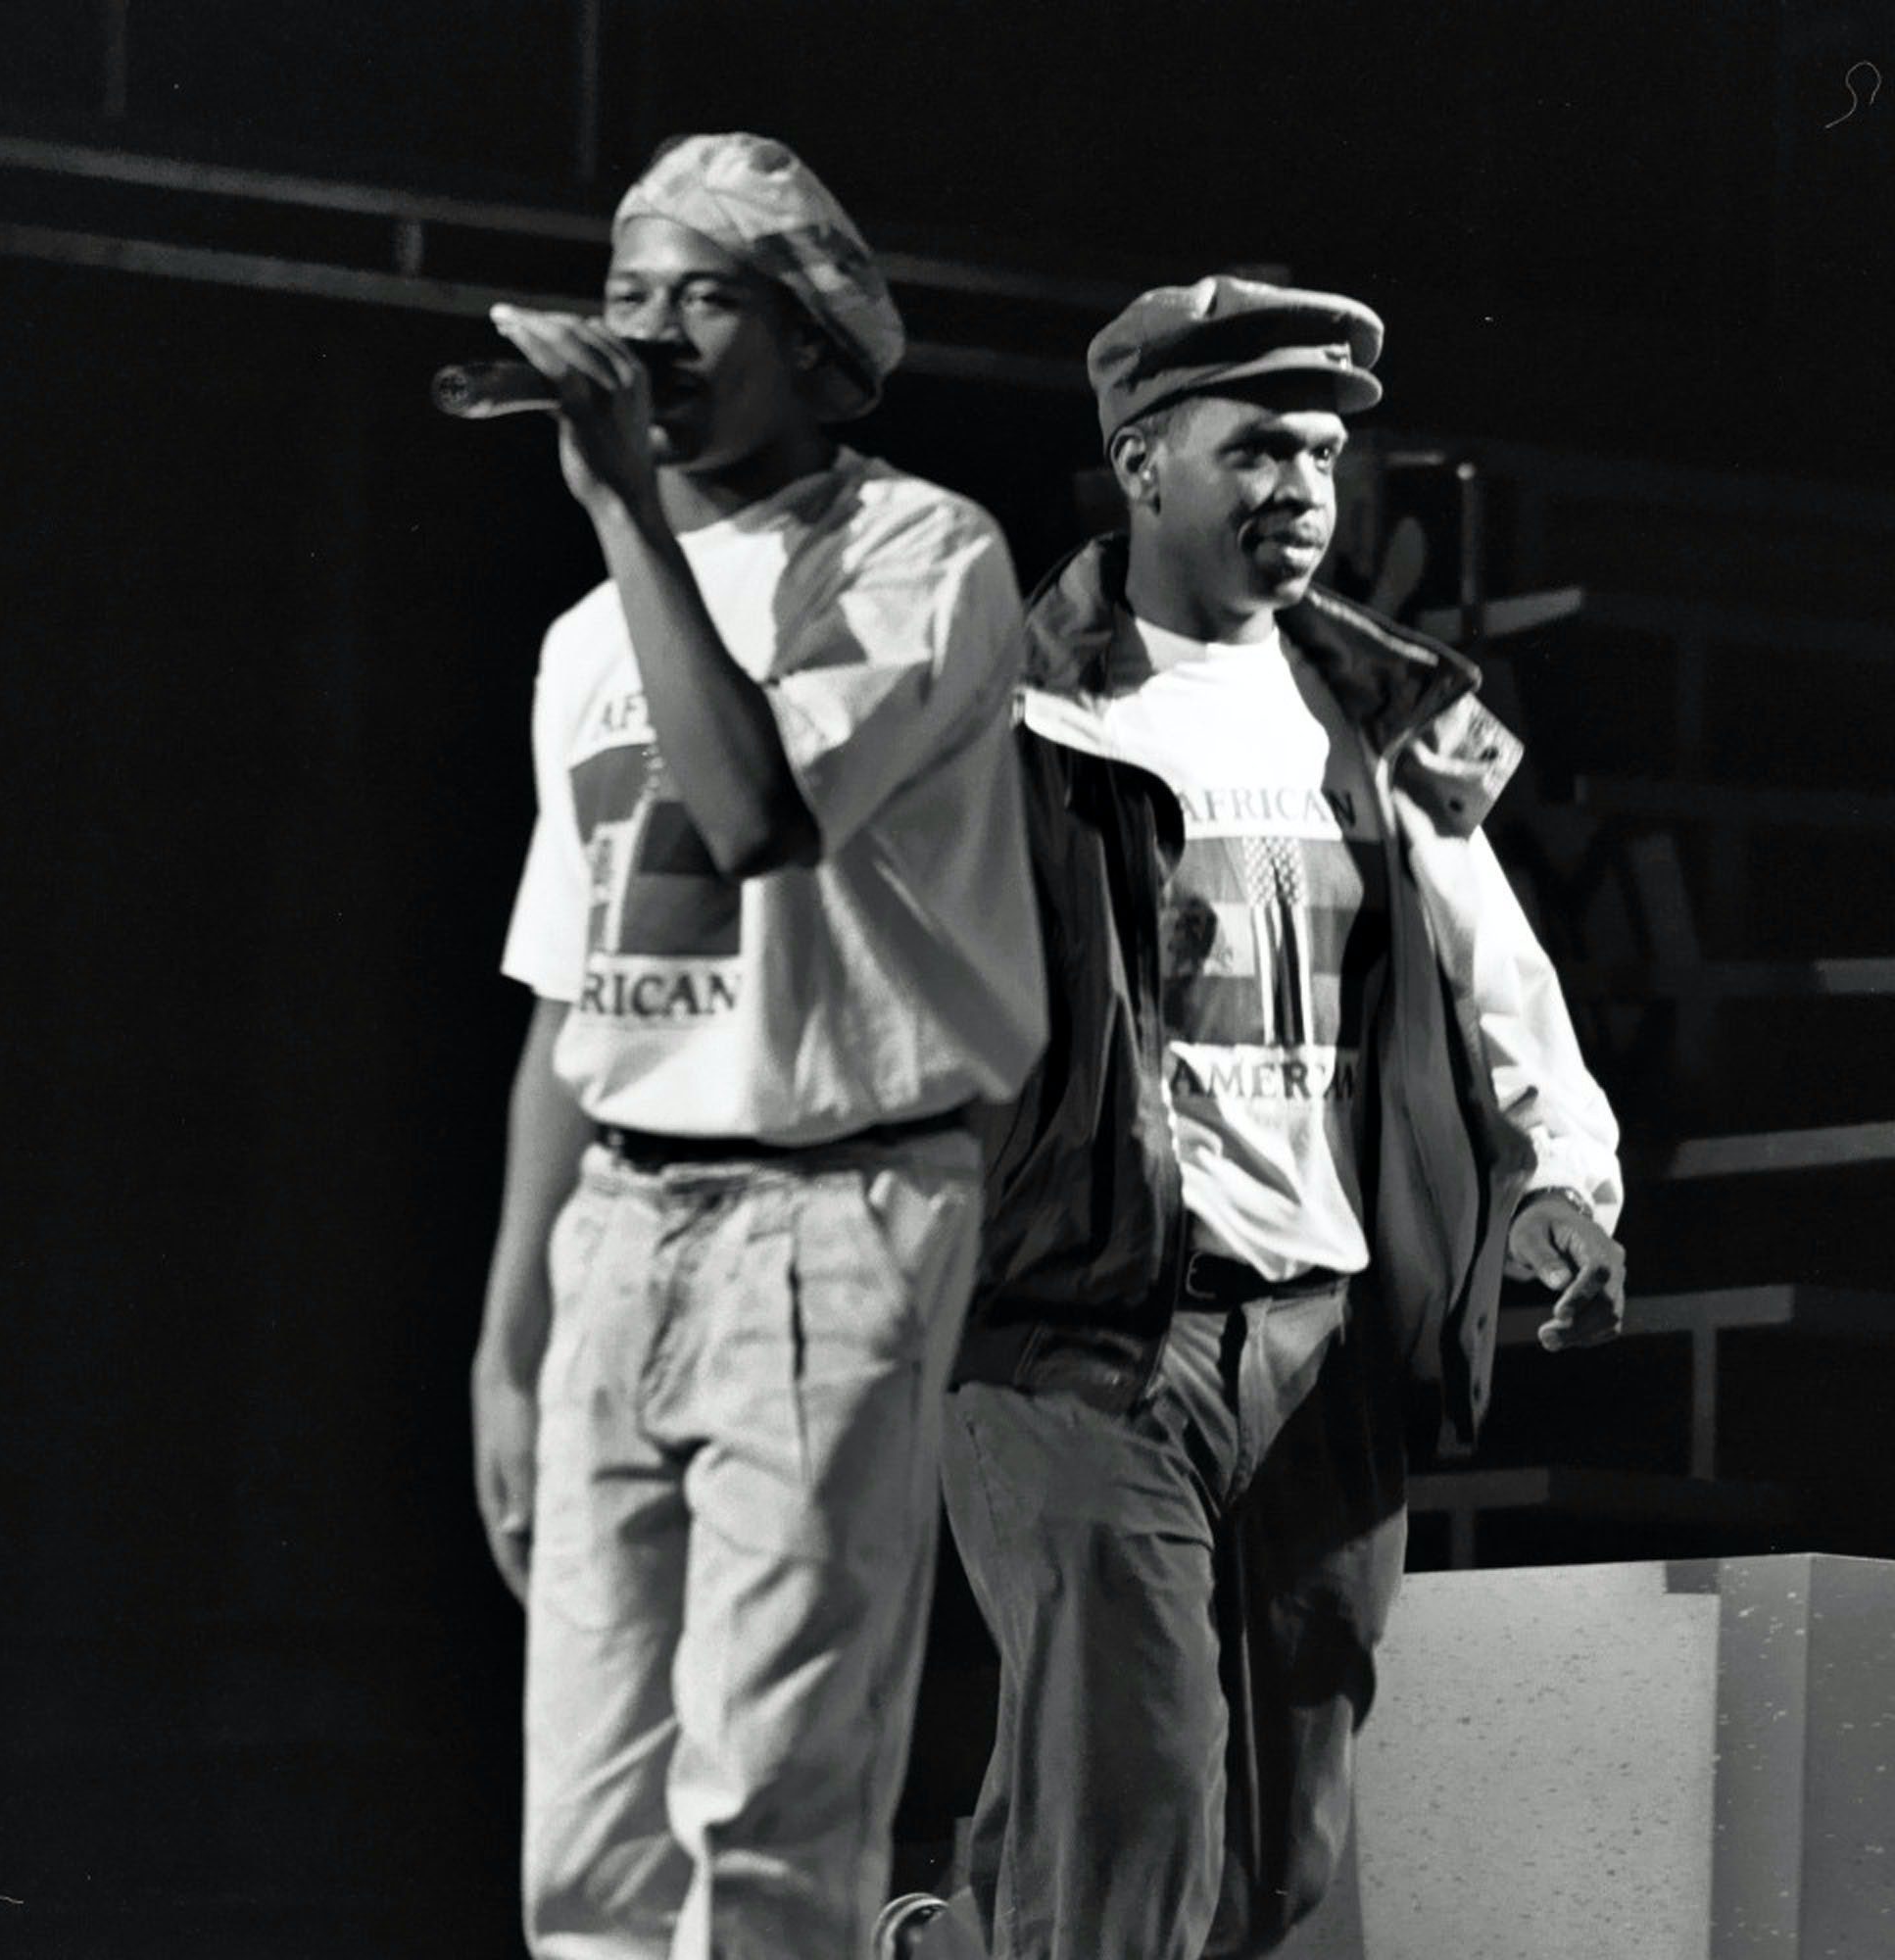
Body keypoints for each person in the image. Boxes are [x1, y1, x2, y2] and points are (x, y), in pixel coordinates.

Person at [888, 276, 1628, 1960]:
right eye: (1257, 450)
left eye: (1322, 454)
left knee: (1271, 1863)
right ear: (1143, 466)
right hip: (1073, 1333)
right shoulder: (998, 701)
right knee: (1139, 1806)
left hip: (1322, 1348)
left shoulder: (1398, 704)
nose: (1302, 488)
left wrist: (1561, 1180)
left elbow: (1500, 962)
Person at [468, 130, 1045, 1960]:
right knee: (588, 1830)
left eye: (702, 298)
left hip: (835, 1210)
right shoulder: (585, 636)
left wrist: (629, 505)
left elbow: (753, 821)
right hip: (621, 1225)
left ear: (812, 340)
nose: (649, 335)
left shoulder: (922, 552)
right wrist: (509, 1335)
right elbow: (571, 997)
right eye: (626, 296)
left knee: (764, 1803)